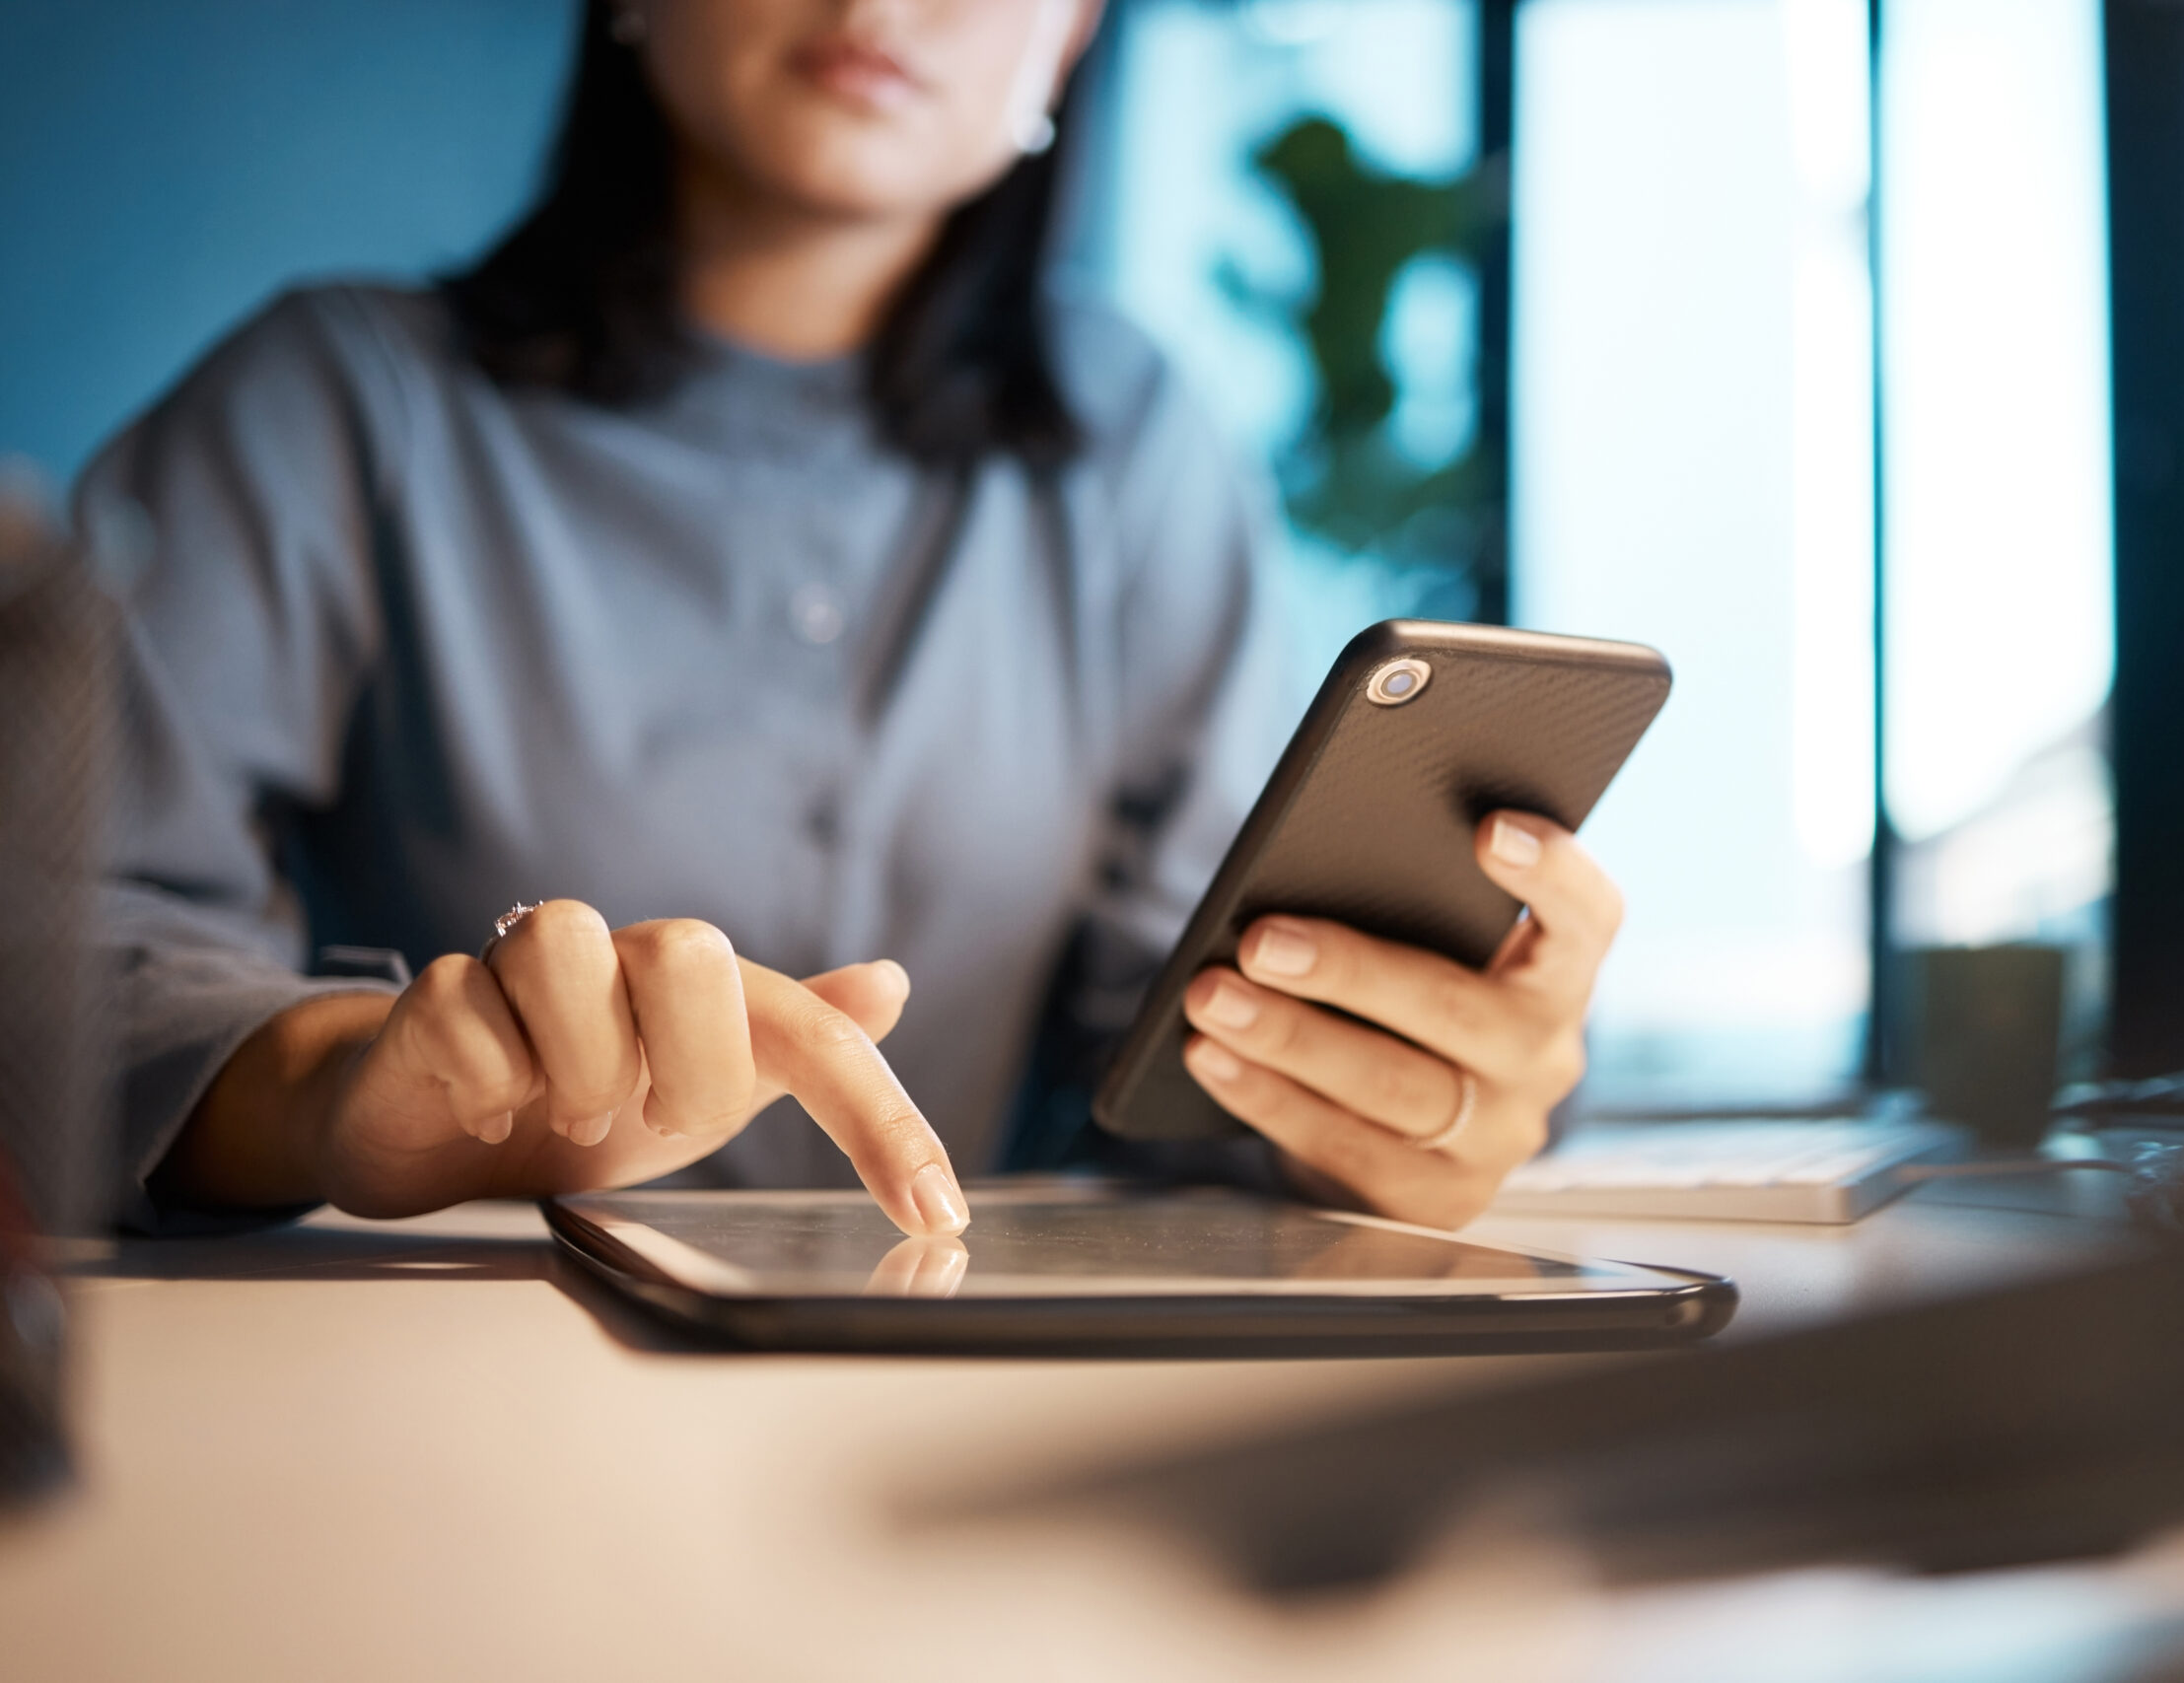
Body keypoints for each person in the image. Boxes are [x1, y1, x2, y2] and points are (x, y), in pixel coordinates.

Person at [85, 0, 1624, 1241]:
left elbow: (1169, 1059)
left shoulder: (1135, 443)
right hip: (441, 1379)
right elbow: (62, 949)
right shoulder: (332, 404)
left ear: (1074, 34)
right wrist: (350, 1096)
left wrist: (1388, 1106)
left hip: (977, 1387)